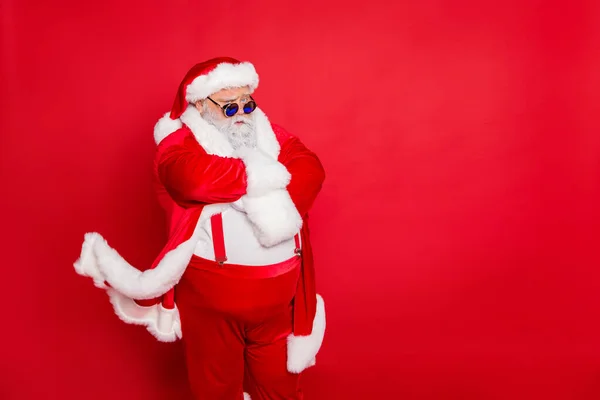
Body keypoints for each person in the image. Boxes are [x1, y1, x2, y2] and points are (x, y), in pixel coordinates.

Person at [74, 57, 326, 399]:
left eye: (248, 103)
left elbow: (310, 168)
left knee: (279, 388)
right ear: (199, 105)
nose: (241, 114)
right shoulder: (177, 144)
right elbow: (192, 180)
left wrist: (269, 190)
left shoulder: (268, 136)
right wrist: (261, 178)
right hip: (212, 304)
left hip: (279, 305)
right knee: (215, 389)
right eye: (228, 106)